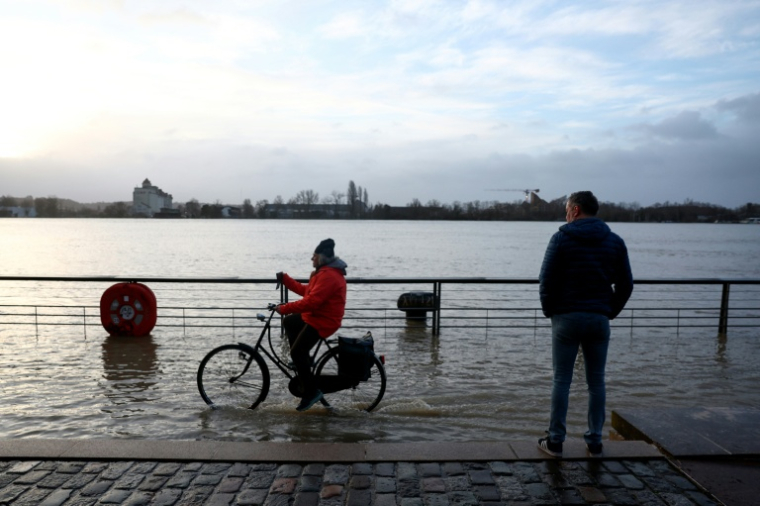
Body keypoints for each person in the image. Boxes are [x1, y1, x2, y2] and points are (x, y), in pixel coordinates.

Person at [538, 191, 633, 458]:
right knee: (597, 382)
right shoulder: (615, 242)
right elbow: (626, 284)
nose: (565, 214)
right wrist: (609, 311)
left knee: (561, 380)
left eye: (567, 209)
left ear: (576, 210)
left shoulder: (560, 238)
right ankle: (595, 442)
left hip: (566, 317)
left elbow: (546, 281)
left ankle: (555, 441)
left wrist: (550, 311)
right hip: (598, 319)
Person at [275, 239, 348, 411]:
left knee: (297, 352)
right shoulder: (323, 272)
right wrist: (285, 279)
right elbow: (307, 291)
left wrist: (284, 308)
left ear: (321, 258)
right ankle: (302, 362)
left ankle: (311, 392)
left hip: (324, 320)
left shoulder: (329, 276)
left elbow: (311, 302)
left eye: (314, 256)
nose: (311, 259)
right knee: (289, 321)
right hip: (316, 315)